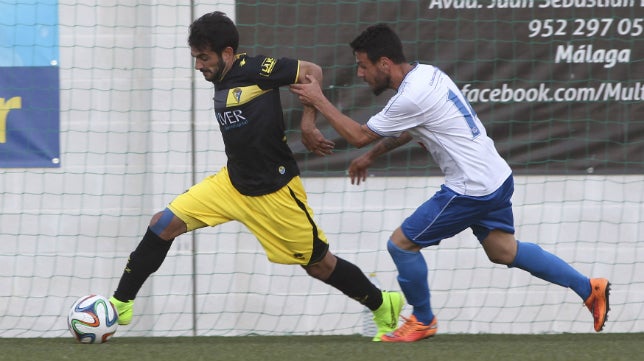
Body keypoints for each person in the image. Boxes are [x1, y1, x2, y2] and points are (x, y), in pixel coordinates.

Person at [290, 23, 610, 342]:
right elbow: (408, 128)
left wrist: (318, 100)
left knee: (401, 244)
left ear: (384, 63)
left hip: (470, 188)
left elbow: (358, 135)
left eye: (363, 65)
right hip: (495, 176)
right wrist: (371, 158)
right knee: (504, 251)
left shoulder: (412, 96)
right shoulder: (428, 74)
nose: (360, 74)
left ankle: (423, 320)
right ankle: (588, 288)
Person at [108, 12, 403, 342]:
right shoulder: (220, 75)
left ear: (228, 54)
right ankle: (120, 302)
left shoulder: (255, 69)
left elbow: (313, 71)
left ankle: (383, 305)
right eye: (195, 58)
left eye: (204, 58)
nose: (198, 66)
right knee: (163, 223)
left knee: (319, 265)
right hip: (231, 184)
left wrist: (308, 123)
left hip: (274, 191)